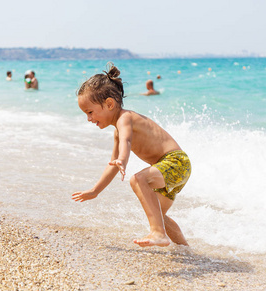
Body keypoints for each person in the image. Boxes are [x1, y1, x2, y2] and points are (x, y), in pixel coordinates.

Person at [72, 63, 191, 248]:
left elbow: (126, 142)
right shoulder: (117, 129)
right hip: (173, 168)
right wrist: (95, 191)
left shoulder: (125, 118)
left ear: (109, 104)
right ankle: (185, 249)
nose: (89, 118)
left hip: (175, 162)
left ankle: (158, 234)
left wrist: (123, 160)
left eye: (90, 112)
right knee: (158, 215)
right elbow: (112, 164)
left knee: (137, 180)